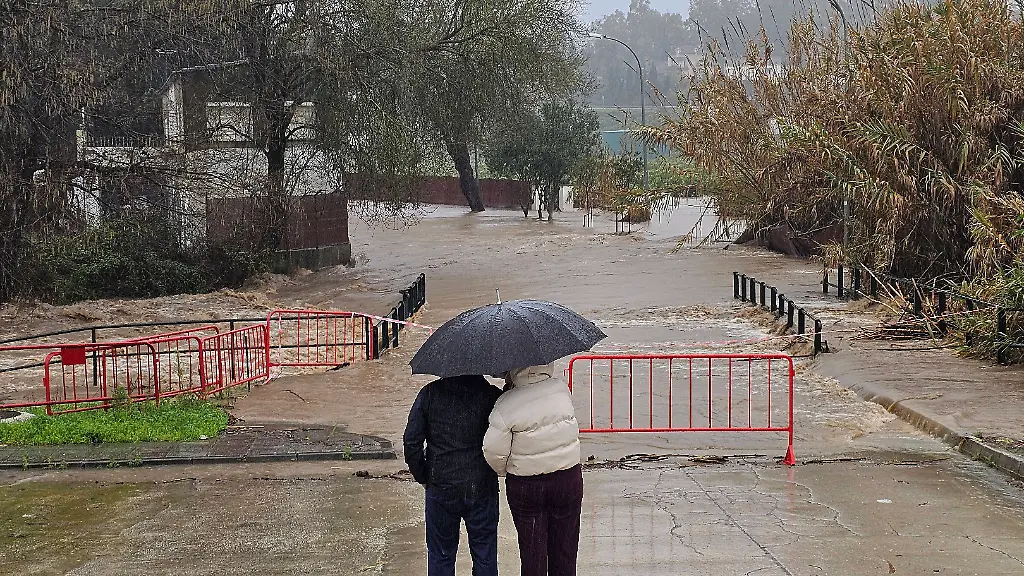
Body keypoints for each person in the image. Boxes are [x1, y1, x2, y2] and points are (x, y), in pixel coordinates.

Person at [482, 363, 583, 576]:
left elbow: (492, 450)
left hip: (526, 486)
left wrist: (506, 471)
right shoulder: (561, 389)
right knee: (565, 549)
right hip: (567, 478)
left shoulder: (506, 403)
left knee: (532, 552)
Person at [404, 374, 504, 576]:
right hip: (481, 485)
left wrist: (423, 476)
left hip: (441, 485)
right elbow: (504, 440)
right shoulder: (492, 396)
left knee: (441, 555)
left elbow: (411, 442)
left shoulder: (429, 394)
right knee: (485, 554)